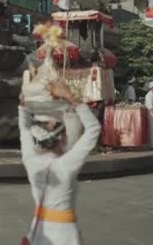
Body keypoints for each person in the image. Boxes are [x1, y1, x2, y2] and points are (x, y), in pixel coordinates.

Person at [19, 81, 101, 245]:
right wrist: (69, 97)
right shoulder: (66, 165)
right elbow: (94, 128)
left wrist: (23, 106)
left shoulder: (30, 161)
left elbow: (24, 130)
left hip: (37, 232)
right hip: (64, 235)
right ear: (62, 138)